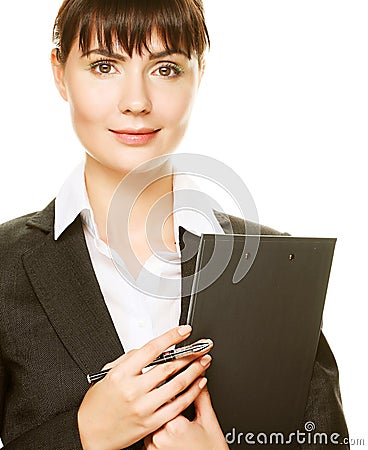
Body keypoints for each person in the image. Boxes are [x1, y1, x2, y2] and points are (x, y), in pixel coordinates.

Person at [0, 0, 349, 449]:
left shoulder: (274, 262)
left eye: (165, 69)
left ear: (199, 72)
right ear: (59, 73)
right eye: (104, 66)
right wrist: (82, 435)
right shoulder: (6, 265)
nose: (136, 101)